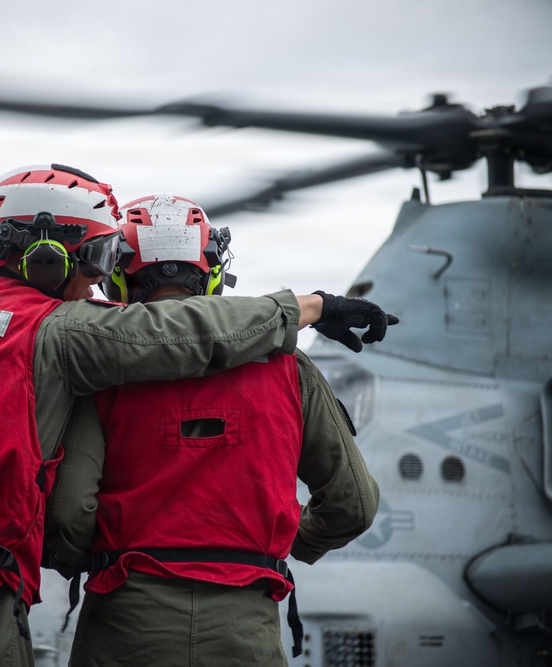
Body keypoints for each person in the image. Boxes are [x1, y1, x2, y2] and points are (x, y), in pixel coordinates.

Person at [0, 164, 394, 667]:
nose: (98, 279)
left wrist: (80, 557)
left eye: (109, 260)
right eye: (94, 256)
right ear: (45, 257)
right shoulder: (58, 332)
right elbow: (178, 335)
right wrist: (306, 308)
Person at [44, 194, 383, 666]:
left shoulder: (100, 374)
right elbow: (355, 504)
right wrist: (286, 545)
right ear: (214, 273)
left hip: (124, 622)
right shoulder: (290, 368)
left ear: (118, 273)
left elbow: (67, 513)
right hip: (247, 625)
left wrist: (80, 557)